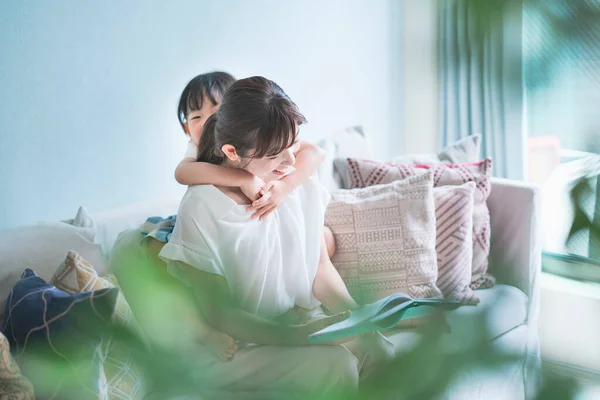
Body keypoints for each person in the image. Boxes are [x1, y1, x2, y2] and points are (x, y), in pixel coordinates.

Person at [158, 76, 393, 397]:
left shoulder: (293, 184)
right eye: (276, 154)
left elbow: (319, 271)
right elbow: (220, 314)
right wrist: (300, 335)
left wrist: (363, 320)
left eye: (293, 145)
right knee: (335, 364)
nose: (291, 162)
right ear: (232, 151)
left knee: (381, 351)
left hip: (299, 323)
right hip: (238, 346)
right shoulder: (202, 207)